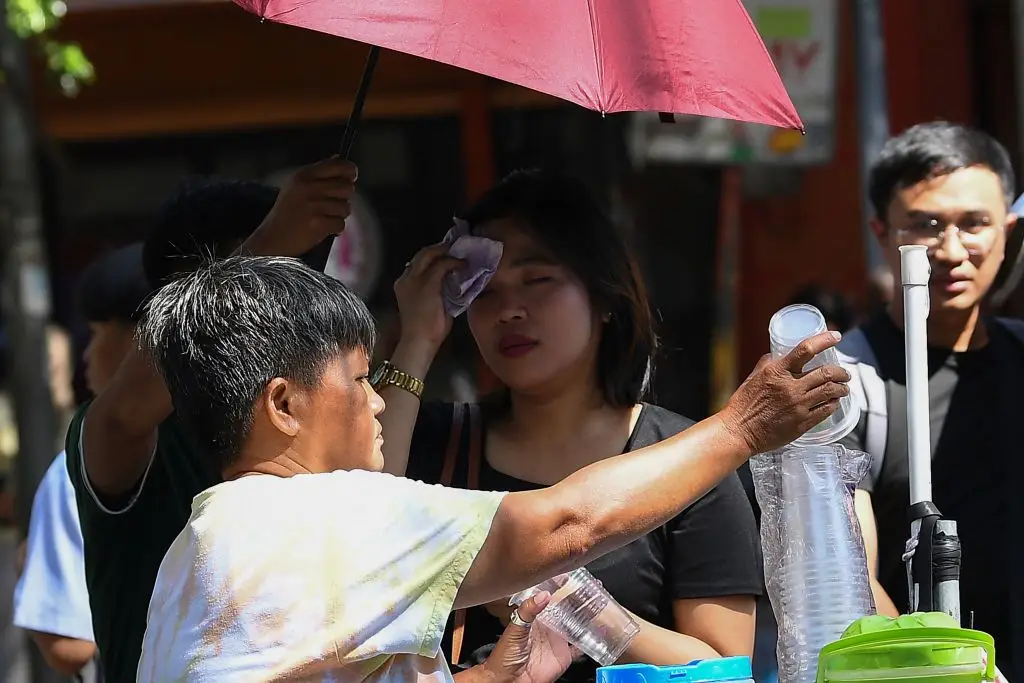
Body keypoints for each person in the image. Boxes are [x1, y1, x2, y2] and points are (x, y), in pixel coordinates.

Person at [135, 255, 848, 680]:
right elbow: (568, 521)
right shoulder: (325, 514)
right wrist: (743, 426)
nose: (377, 404)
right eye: (357, 380)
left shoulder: (189, 551)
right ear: (284, 405)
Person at [380, 170, 762, 678]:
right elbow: (356, 531)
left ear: (604, 297)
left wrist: (579, 608)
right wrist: (418, 338)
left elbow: (727, 668)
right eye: (484, 291)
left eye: (538, 280)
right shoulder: (433, 441)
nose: (509, 310)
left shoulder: (685, 461)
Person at [65, 160, 361, 683]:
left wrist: (422, 338)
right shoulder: (134, 435)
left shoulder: (332, 421)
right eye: (260, 293)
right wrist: (274, 242)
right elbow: (121, 417)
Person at [838, 121, 1024, 677]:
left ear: (1008, 231)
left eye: (975, 225)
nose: (951, 249)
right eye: (927, 225)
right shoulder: (847, 386)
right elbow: (852, 577)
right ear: (881, 231)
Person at [14, 243, 152, 681]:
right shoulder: (231, 443)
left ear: (141, 342)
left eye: (97, 333)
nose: (86, 355)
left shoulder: (75, 468)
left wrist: (31, 569)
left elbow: (69, 646)